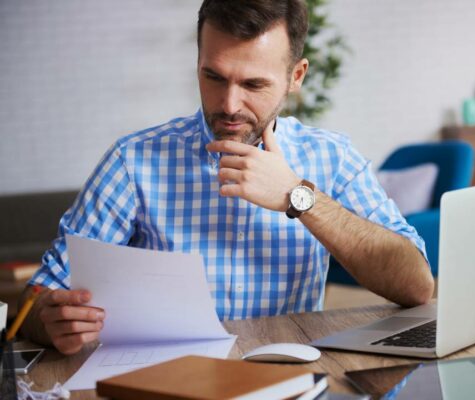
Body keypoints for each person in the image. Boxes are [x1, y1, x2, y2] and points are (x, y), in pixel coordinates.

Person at [20, 0, 434, 355]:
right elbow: (38, 296)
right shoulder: (133, 161)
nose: (229, 105)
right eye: (213, 77)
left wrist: (297, 196)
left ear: (297, 76)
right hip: (166, 380)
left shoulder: (332, 157)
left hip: (288, 374)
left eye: (254, 84)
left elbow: (417, 285)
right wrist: (50, 319)